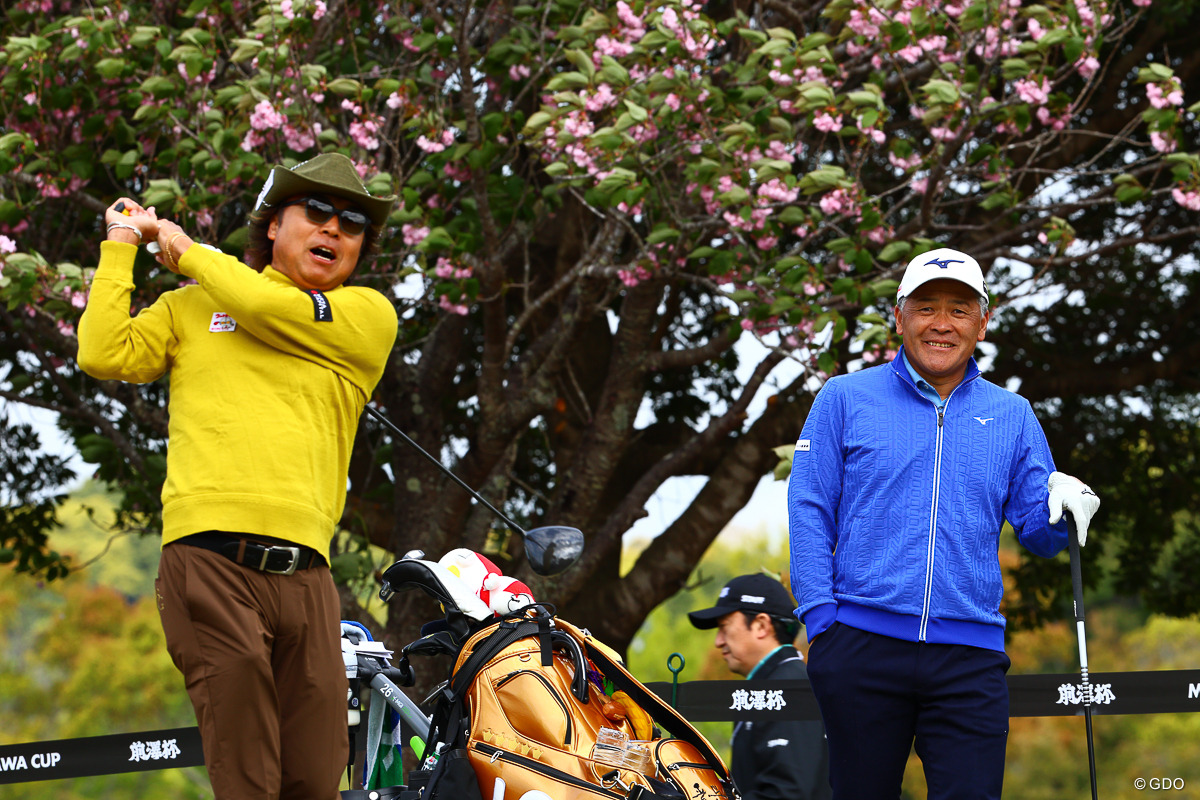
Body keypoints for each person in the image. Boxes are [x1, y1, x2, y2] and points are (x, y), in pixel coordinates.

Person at [77, 153, 398, 800]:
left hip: (308, 578)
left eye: (353, 222)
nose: (335, 229)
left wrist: (184, 249)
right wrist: (120, 250)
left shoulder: (367, 318)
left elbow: (256, 302)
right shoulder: (191, 307)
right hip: (210, 562)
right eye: (317, 212)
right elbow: (101, 352)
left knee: (313, 780)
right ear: (272, 226)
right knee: (248, 780)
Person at [787, 247, 1101, 800]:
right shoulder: (843, 397)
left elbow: (1039, 532)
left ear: (984, 320)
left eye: (959, 309)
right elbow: (809, 506)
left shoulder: (1013, 414)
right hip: (860, 643)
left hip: (969, 657)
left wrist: (1065, 506)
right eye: (926, 306)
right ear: (900, 314)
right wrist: (821, 620)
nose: (941, 324)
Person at [688, 573, 832, 800]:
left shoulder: (789, 689)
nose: (718, 641)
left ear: (761, 625)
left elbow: (789, 793)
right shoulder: (773, 686)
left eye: (724, 627)